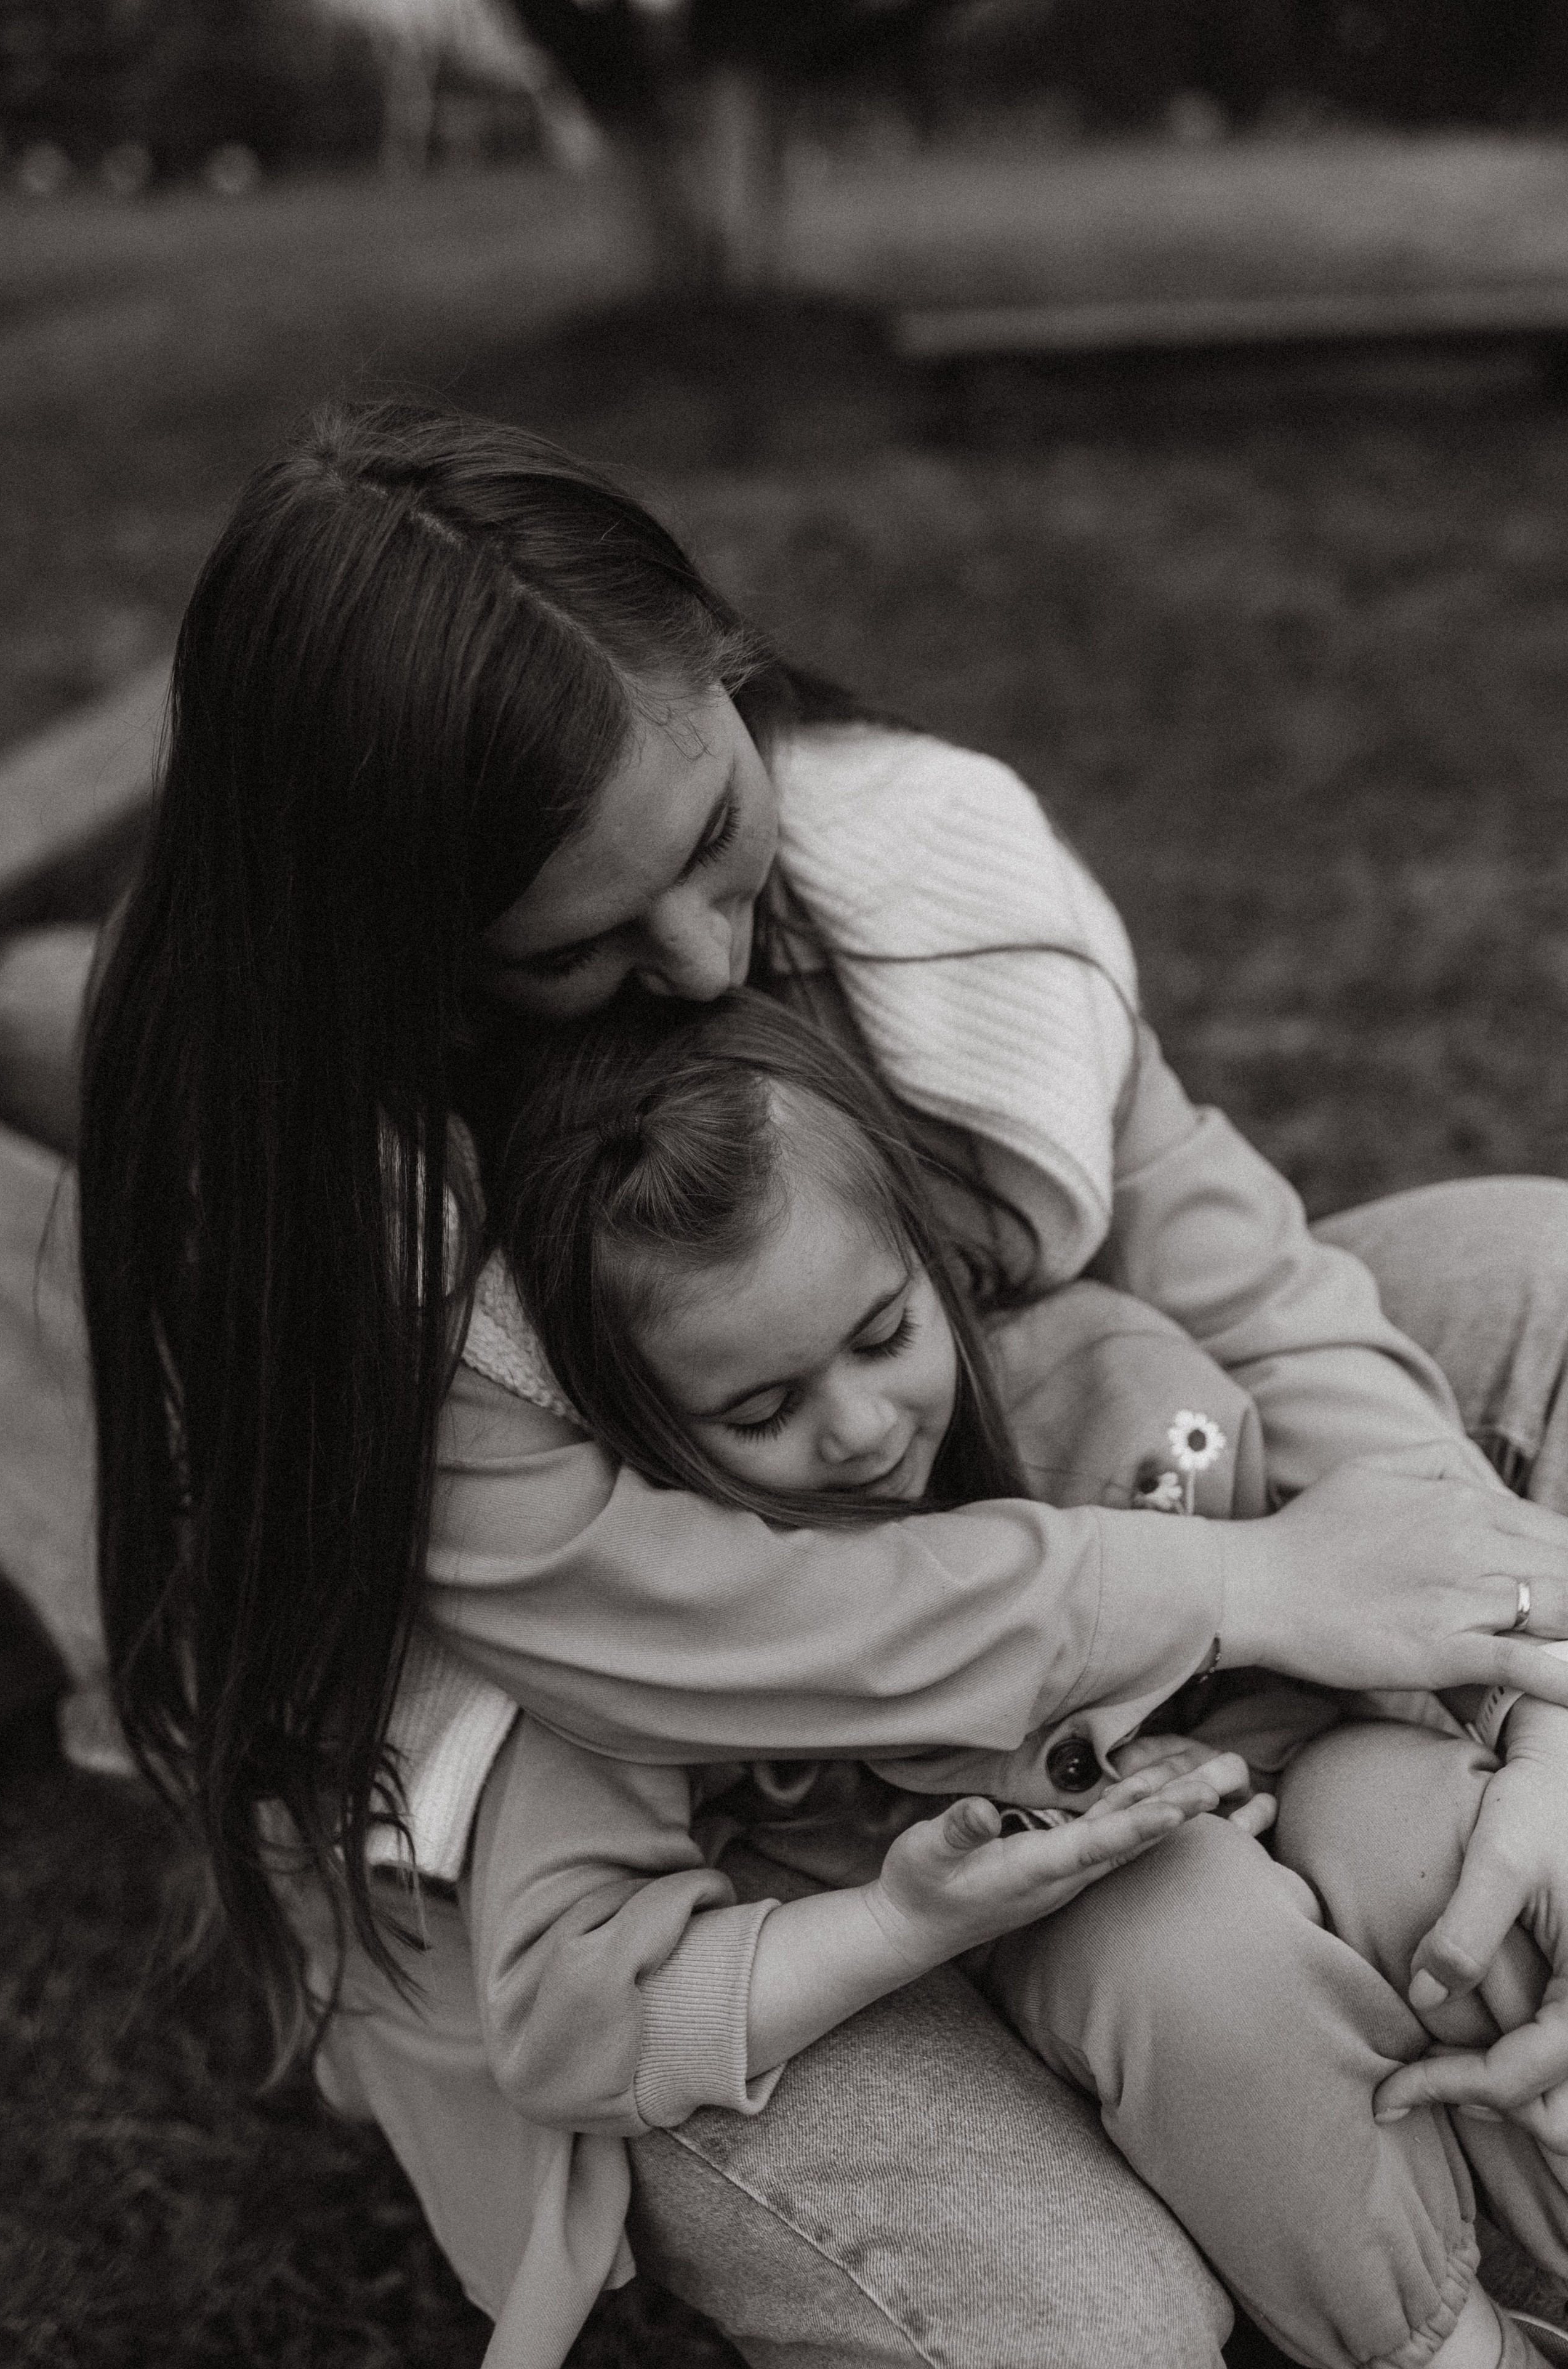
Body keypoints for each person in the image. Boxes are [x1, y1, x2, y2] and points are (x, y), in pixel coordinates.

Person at [78, 400, 1568, 2369]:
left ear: (724, 666)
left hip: (1050, 1515)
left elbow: (1242, 1268)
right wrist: (1244, 1591)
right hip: (700, 1839)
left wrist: (1517, 1653)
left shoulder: (914, 859)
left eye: (712, 836)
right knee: (1095, 2329)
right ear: (406, 946)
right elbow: (686, 1628)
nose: (707, 960)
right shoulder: (337, 1222)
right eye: (576, 949)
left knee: (1534, 1268)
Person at [468, 984, 1568, 2369]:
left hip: (1299, 1863)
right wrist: (901, 1918)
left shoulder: (1104, 1391)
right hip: (1089, 1984)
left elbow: (1345, 1627)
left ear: (939, 1264)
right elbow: (572, 2019)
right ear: (634, 1425)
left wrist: (1255, 1754)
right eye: (758, 1410)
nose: (861, 1429)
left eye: (883, 1336)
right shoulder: (650, 1648)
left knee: (1415, 1831)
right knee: (1179, 1931)